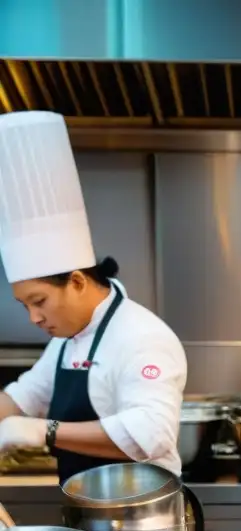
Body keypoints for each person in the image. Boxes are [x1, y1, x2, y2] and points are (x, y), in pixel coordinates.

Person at [0, 111, 187, 484]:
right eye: (25, 306)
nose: (34, 318)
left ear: (77, 282)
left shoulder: (141, 337)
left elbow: (150, 433)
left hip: (143, 518)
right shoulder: (68, 339)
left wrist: (46, 431)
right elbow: (25, 396)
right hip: (85, 509)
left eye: (39, 301)